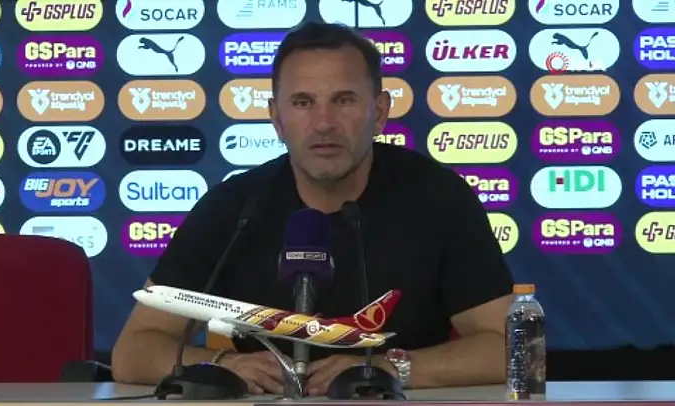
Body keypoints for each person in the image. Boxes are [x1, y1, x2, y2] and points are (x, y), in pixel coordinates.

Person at [112, 22, 514, 396]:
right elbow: (134, 351)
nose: (324, 123)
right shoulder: (235, 209)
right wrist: (224, 364)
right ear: (276, 118)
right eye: (303, 102)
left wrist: (388, 368)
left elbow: (509, 349)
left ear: (379, 113)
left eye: (344, 100)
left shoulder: (438, 198)